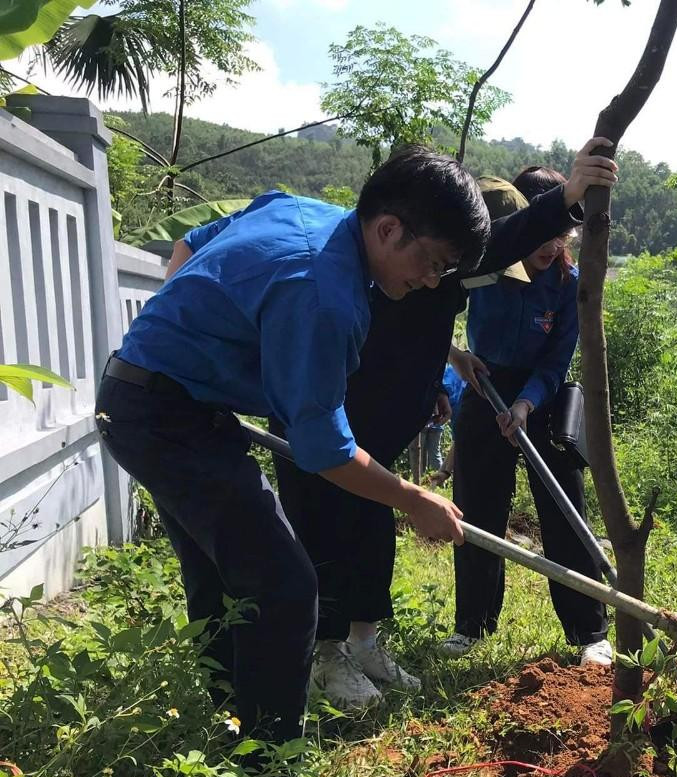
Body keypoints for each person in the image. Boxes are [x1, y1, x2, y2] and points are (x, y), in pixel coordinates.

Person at [94, 148, 486, 743]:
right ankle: (268, 770)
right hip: (163, 416)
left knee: (224, 578)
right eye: (431, 263)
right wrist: (412, 498)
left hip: (153, 396)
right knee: (284, 584)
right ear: (388, 229)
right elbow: (322, 448)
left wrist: (176, 335)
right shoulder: (326, 296)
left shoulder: (303, 212)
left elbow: (197, 241)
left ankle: (228, 731)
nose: (431, 280)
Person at [269, 140, 618, 708]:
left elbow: (461, 308)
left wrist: (455, 369)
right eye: (436, 263)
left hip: (424, 420)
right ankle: (327, 650)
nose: (437, 278)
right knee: (328, 526)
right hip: (337, 420)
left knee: (372, 526)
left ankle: (363, 641)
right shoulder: (350, 276)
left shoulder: (448, 268)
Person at [441, 166, 611, 666]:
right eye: (543, 231)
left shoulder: (569, 283)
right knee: (477, 508)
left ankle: (589, 632)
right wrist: (455, 357)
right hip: (483, 385)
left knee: (565, 512)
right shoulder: (484, 264)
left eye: (562, 234)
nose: (552, 244)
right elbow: (430, 311)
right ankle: (471, 625)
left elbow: (557, 357)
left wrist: (526, 402)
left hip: (544, 397)